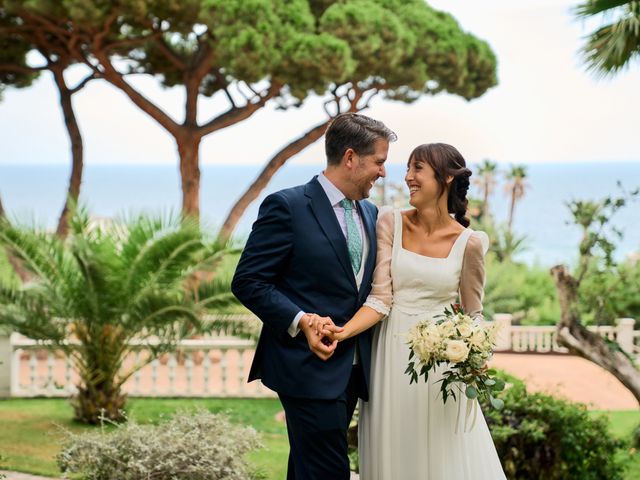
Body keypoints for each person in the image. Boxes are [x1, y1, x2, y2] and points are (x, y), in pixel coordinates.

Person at [315, 143, 506, 478]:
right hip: (390, 356)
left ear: (446, 177)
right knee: (396, 451)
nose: (408, 177)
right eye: (408, 168)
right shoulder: (391, 221)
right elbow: (380, 297)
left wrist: (476, 355)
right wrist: (343, 331)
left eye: (417, 168)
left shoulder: (470, 243)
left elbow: (474, 313)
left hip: (443, 365)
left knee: (443, 455)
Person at [231, 113, 397, 479]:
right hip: (304, 367)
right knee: (328, 468)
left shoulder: (371, 213)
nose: (383, 172)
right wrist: (301, 320)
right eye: (379, 162)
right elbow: (248, 281)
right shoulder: (287, 207)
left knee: (310, 466)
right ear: (351, 158)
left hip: (354, 369)